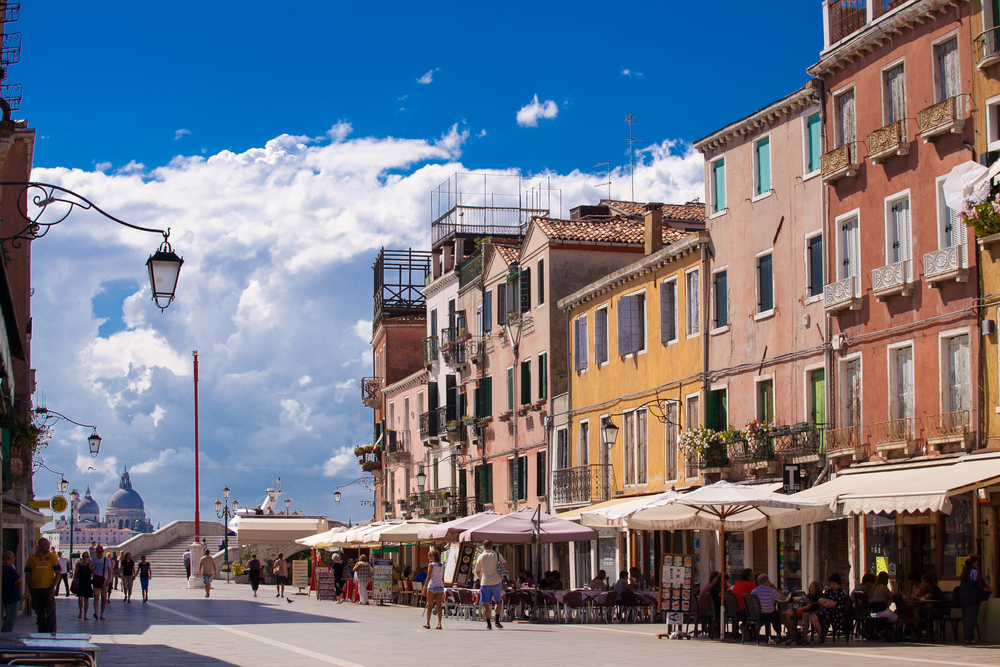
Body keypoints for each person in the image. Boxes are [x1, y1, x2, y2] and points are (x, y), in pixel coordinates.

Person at [24, 537, 61, 632]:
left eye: (48, 545)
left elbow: (58, 572)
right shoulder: (31, 558)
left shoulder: (52, 557)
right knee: (40, 614)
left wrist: (53, 586)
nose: (48, 547)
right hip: (35, 589)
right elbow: (27, 574)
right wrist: (30, 587)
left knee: (50, 613)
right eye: (45, 545)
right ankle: (41, 632)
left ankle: (51, 633)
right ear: (39, 546)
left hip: (47, 589)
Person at [959, 554, 991, 644]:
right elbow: (982, 586)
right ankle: (969, 637)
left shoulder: (964, 572)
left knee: (966, 618)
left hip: (963, 597)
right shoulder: (974, 572)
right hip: (972, 597)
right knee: (971, 618)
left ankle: (966, 637)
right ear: (975, 563)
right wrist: (991, 589)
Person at [475, 540, 506, 630]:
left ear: (484, 547)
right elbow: (506, 564)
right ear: (492, 546)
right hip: (497, 581)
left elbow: (477, 571)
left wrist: (481, 579)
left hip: (485, 582)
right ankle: (497, 621)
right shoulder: (497, 555)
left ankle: (488, 624)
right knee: (497, 601)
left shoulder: (481, 556)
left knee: (486, 604)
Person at [810, 573, 849, 644]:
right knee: (807, 616)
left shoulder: (840, 593)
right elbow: (820, 600)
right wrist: (827, 601)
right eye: (831, 584)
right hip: (825, 610)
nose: (832, 586)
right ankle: (806, 636)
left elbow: (832, 604)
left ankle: (822, 637)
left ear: (838, 584)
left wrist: (826, 603)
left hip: (834, 613)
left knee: (813, 617)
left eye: (834, 584)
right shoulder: (829, 592)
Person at [750, 573, 786, 644]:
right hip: (770, 614)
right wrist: (775, 587)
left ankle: (755, 631)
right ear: (766, 581)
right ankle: (778, 633)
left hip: (759, 615)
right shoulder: (770, 590)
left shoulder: (753, 591)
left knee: (773, 612)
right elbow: (783, 598)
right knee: (776, 614)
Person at [423, 549, 445, 630]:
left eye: (430, 556)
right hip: (440, 586)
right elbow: (442, 577)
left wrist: (424, 588)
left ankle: (428, 622)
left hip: (432, 586)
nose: (428, 557)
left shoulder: (431, 565)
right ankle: (439, 623)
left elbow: (428, 577)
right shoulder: (441, 565)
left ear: (434, 556)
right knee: (439, 606)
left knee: (430, 605)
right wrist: (443, 586)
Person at [2, 551, 22, 632]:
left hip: (6, 596)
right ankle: (7, 635)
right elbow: (20, 580)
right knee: (11, 618)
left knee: (9, 617)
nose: (14, 558)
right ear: (9, 558)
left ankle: (3, 633)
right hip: (12, 598)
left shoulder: (2, 568)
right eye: (13, 557)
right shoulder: (9, 569)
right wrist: (16, 582)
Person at [73, 552, 94, 620]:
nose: (85, 558)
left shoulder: (90, 565)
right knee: (80, 598)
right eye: (84, 556)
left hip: (87, 583)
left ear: (88, 557)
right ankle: (80, 611)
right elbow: (75, 574)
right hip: (80, 583)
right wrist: (74, 582)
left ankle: (85, 614)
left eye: (86, 556)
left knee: (86, 599)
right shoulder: (78, 565)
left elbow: (93, 572)